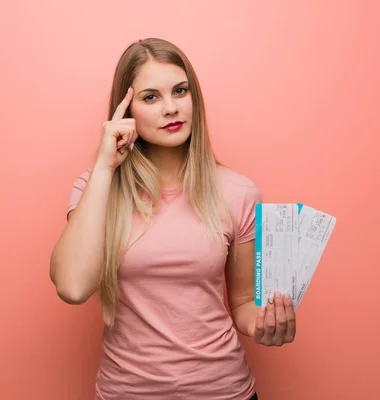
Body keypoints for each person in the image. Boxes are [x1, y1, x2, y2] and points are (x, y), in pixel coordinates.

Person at [50, 38, 297, 400]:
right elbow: (72, 286)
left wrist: (264, 324)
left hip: (223, 391)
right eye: (151, 97)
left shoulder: (238, 192)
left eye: (180, 91)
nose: (170, 108)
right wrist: (105, 166)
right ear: (126, 108)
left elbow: (243, 303)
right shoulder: (95, 188)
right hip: (127, 393)